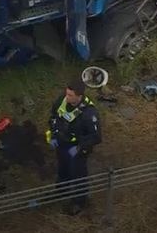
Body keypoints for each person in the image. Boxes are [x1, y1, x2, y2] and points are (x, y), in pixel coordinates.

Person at [47, 79, 101, 215]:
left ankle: (79, 202)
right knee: (62, 169)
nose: (67, 97)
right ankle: (61, 191)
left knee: (78, 175)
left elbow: (96, 137)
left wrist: (78, 148)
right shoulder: (62, 100)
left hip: (77, 148)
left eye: (70, 95)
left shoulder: (89, 113)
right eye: (67, 93)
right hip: (62, 144)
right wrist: (54, 134)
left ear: (79, 96)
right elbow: (54, 116)